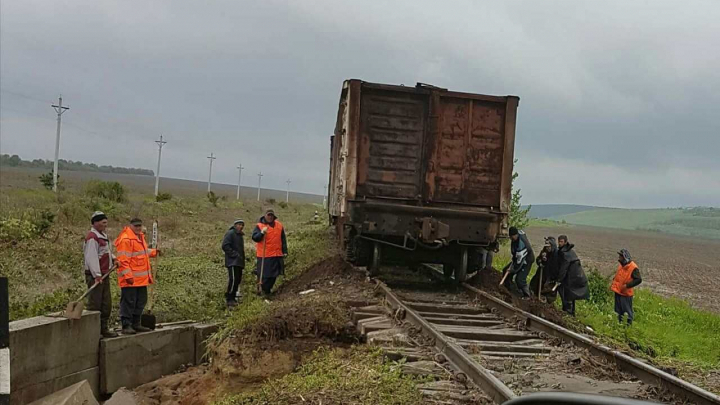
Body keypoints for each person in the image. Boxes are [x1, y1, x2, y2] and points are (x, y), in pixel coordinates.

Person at [114, 218, 158, 335]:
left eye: (140, 226)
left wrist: (154, 252)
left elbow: (142, 252)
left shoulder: (139, 237)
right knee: (129, 302)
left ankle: (136, 323)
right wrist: (128, 276)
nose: (138, 228)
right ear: (130, 226)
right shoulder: (126, 239)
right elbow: (123, 260)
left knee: (140, 301)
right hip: (130, 280)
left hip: (141, 280)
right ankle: (126, 324)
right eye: (136, 226)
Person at [83, 211, 119, 338]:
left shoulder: (103, 236)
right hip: (96, 277)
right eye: (102, 221)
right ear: (95, 223)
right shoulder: (92, 237)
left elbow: (105, 252)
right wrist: (97, 275)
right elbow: (91, 257)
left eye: (105, 221)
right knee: (95, 304)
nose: (105, 223)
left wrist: (114, 259)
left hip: (105, 274)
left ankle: (103, 329)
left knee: (106, 304)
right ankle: (93, 332)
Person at [252, 209, 288, 296]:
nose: (270, 217)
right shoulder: (260, 226)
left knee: (274, 274)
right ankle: (263, 291)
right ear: (265, 216)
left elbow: (283, 239)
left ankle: (268, 290)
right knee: (265, 275)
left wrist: (285, 251)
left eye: (271, 215)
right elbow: (255, 238)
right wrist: (261, 233)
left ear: (273, 216)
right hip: (265, 255)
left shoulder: (279, 225)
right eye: (268, 215)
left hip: (277, 254)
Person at [555, 235, 589, 316]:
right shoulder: (568, 251)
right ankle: (570, 313)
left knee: (567, 296)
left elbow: (564, 268)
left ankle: (568, 313)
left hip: (572, 278)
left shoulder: (565, 254)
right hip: (574, 277)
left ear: (565, 242)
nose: (559, 243)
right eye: (559, 241)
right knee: (570, 295)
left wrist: (559, 280)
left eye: (561, 242)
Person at [611, 249, 642, 325]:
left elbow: (638, 280)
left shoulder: (633, 267)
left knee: (627, 313)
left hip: (626, 294)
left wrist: (627, 286)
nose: (619, 257)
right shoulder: (622, 265)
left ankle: (627, 327)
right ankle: (618, 325)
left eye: (620, 256)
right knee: (618, 312)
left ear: (624, 257)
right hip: (618, 292)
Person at [503, 227, 535, 298]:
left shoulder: (521, 243)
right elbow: (515, 254)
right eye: (510, 237)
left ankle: (527, 295)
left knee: (520, 279)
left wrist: (513, 269)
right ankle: (509, 288)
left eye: (512, 236)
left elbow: (519, 262)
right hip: (518, 258)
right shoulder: (515, 239)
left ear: (516, 235)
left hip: (527, 260)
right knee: (505, 270)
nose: (511, 238)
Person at [222, 219, 245, 308]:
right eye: (239, 224)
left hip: (239, 262)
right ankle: (229, 298)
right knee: (234, 279)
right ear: (235, 225)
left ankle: (233, 297)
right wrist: (234, 254)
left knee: (238, 280)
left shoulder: (240, 236)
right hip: (232, 261)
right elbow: (225, 245)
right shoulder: (230, 233)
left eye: (242, 225)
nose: (241, 226)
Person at [529, 236, 559, 302]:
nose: (547, 248)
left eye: (549, 246)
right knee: (535, 286)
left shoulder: (557, 254)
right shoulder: (544, 251)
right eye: (546, 246)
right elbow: (538, 259)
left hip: (550, 277)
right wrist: (541, 261)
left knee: (548, 292)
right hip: (541, 274)